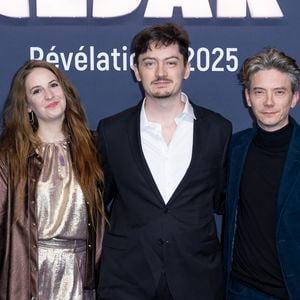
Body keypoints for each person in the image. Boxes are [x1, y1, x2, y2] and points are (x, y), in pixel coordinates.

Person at [96, 23, 232, 300]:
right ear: (136, 70)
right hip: (126, 279)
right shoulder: (111, 131)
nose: (160, 73)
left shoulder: (218, 129)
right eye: (150, 63)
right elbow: (100, 199)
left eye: (171, 62)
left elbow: (221, 199)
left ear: (186, 68)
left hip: (197, 278)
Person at [0, 60, 105, 300]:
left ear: (64, 90)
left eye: (53, 85)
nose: (49, 95)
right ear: (27, 106)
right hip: (31, 277)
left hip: (83, 277)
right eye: (37, 91)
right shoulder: (10, 157)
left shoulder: (96, 147)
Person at [224, 48, 300, 299]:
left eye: (279, 92)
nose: (268, 102)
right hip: (241, 290)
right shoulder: (234, 148)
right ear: (248, 97)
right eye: (259, 92)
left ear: (294, 98)